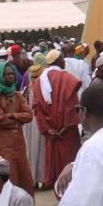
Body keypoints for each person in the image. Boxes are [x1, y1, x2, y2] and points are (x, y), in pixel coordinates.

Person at [31, 49, 81, 190]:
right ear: (58, 61)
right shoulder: (68, 79)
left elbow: (37, 109)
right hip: (67, 131)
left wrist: (48, 129)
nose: (65, 61)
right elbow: (73, 105)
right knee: (70, 166)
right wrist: (64, 127)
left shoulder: (38, 81)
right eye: (63, 59)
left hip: (51, 132)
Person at [0, 62, 34, 197]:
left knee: (23, 177)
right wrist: (18, 120)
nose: (12, 76)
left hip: (18, 145)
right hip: (2, 145)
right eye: (8, 74)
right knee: (6, 178)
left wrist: (12, 115)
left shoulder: (17, 95)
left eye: (12, 73)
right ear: (0, 76)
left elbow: (29, 115)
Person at [22, 54, 46, 188]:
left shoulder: (28, 76)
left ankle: (32, 178)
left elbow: (23, 94)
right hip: (38, 118)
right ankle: (40, 178)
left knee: (31, 149)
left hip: (29, 119)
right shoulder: (43, 81)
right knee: (40, 149)